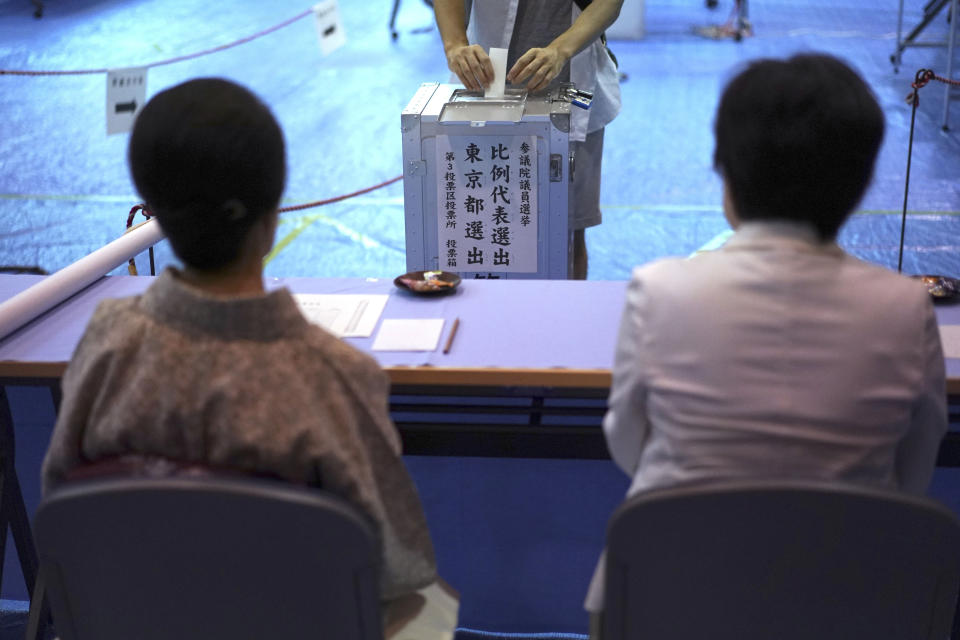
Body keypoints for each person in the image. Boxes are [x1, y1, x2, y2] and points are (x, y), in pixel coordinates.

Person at [41, 78, 456, 638]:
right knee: (429, 604)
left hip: (136, 624)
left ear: (153, 208)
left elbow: (65, 511)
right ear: (271, 216)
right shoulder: (330, 374)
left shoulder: (106, 346)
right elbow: (397, 567)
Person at [585, 53, 947, 625]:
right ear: (859, 184)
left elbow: (628, 442)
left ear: (725, 173)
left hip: (671, 592)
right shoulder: (905, 307)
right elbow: (915, 466)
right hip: (856, 601)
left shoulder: (659, 290)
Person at [433, 0, 623, 279]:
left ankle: (565, 319)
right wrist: (454, 44)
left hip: (571, 85)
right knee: (476, 227)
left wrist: (560, 50)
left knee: (568, 236)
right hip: (485, 85)